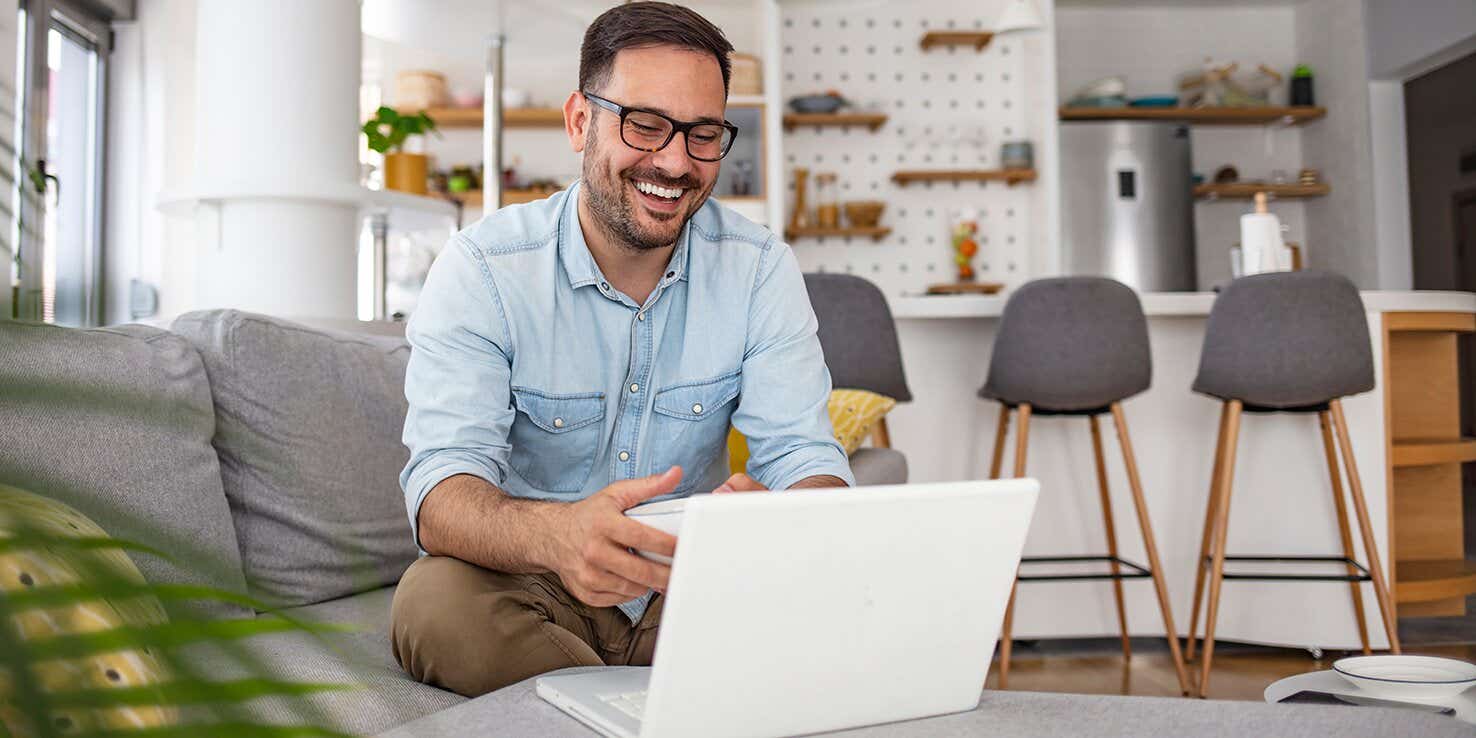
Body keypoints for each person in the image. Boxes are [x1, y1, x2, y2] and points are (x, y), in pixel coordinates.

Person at [391, 1, 853, 697]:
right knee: (434, 607)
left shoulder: (759, 267)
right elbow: (442, 493)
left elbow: (801, 454)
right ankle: (662, 699)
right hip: (533, 585)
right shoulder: (483, 267)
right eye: (645, 125)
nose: (674, 161)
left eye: (702, 135)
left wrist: (790, 516)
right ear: (581, 121)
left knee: (837, 601)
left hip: (689, 586)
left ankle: (594, 700)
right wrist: (559, 537)